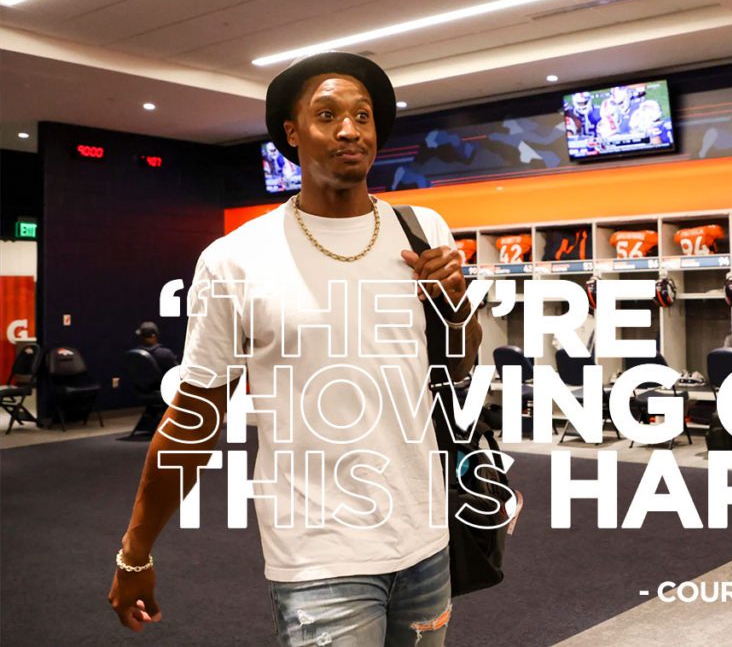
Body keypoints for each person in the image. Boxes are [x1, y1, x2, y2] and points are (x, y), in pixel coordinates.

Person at [108, 52, 482, 646]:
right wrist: (135, 549)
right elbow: (196, 419)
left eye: (362, 115)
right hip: (318, 559)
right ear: (292, 132)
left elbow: (458, 364)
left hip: (424, 539)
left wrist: (456, 303)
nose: (349, 129)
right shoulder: (236, 259)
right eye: (328, 114)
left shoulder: (424, 231)